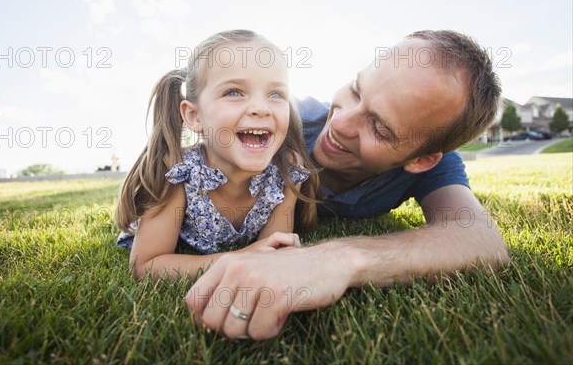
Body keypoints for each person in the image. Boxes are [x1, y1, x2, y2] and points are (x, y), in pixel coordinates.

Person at [185, 30, 510, 340]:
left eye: (379, 129)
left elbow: (481, 240)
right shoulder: (284, 122)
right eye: (356, 89)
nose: (339, 123)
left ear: (421, 160)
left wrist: (339, 259)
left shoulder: (432, 169)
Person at [114, 30, 318, 280]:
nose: (261, 108)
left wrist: (265, 257)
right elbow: (146, 265)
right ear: (194, 116)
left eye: (276, 94)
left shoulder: (286, 172)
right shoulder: (179, 172)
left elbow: (273, 251)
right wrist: (242, 258)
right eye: (234, 92)